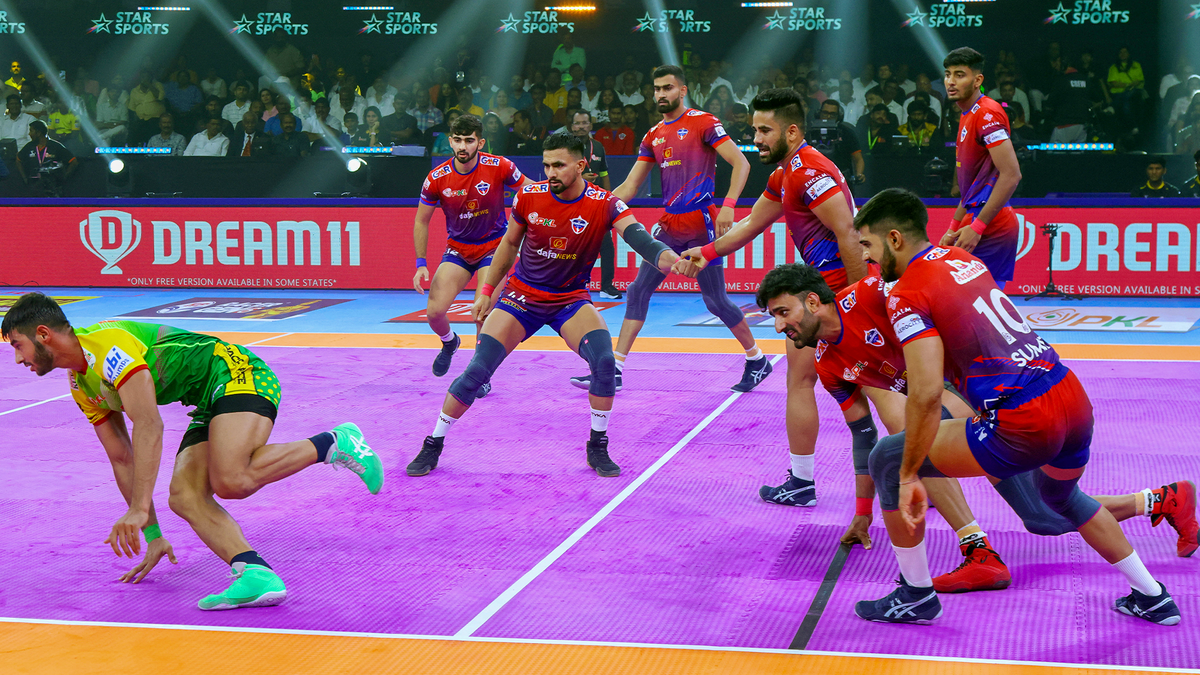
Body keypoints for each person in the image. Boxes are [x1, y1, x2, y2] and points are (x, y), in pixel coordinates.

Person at [850, 188, 1181, 626]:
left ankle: (915, 596)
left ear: (894, 239)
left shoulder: (905, 294)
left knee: (888, 460)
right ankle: (1153, 597)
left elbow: (927, 394)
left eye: (868, 245)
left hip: (1022, 418)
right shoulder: (964, 259)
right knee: (1060, 500)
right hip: (1070, 397)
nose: (867, 257)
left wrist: (911, 474)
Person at [762, 262, 1198, 584]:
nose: (780, 326)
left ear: (813, 300)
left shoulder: (870, 295)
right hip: (959, 405)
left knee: (915, 448)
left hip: (989, 396)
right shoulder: (828, 363)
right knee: (1041, 516)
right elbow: (862, 434)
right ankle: (1160, 500)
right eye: (774, 317)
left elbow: (929, 291)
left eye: (783, 312)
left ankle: (965, 558)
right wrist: (862, 514)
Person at [2, 294, 383, 608]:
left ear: (43, 334)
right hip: (206, 399)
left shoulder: (108, 346)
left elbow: (149, 424)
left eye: (18, 345)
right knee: (186, 497)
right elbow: (122, 457)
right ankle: (254, 573)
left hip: (236, 373)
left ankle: (335, 442)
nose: (18, 358)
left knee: (232, 479)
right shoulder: (81, 386)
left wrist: (138, 507)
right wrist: (152, 532)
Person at [407, 131, 682, 479]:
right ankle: (433, 443)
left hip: (570, 299)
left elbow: (640, 238)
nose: (550, 172)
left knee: (604, 362)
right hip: (522, 298)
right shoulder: (528, 196)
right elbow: (509, 245)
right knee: (477, 371)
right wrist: (487, 290)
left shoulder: (605, 203)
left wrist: (672, 260)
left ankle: (597, 445)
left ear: (581, 165)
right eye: (547, 165)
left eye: (559, 165)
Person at [675, 88, 866, 507]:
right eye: (754, 129)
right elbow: (750, 225)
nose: (756, 138)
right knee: (835, 382)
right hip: (823, 294)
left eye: (764, 130)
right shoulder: (785, 174)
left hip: (833, 296)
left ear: (792, 131)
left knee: (869, 386)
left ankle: (912, 473)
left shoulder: (809, 172)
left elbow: (849, 233)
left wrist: (858, 299)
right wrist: (706, 253)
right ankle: (809, 482)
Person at [569, 65, 767, 394]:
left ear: (682, 90)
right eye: (657, 88)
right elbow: (631, 186)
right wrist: (595, 207)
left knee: (715, 300)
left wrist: (729, 205)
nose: (661, 94)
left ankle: (756, 358)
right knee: (638, 291)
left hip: (701, 221)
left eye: (667, 88)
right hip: (670, 223)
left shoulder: (704, 122)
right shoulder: (653, 135)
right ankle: (615, 369)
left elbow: (742, 163)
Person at [413, 113, 532, 382]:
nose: (462, 146)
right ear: (450, 142)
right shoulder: (436, 178)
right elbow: (421, 221)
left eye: (469, 140)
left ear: (480, 143)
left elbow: (531, 191)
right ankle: (450, 342)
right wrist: (421, 263)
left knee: (482, 313)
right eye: (457, 140)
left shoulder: (500, 166)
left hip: (494, 248)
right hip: (458, 250)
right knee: (434, 313)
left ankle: (481, 375)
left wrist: (562, 195)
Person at [938, 47, 1023, 291]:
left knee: (978, 303)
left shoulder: (987, 113)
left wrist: (977, 227)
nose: (951, 81)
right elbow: (972, 186)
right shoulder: (967, 113)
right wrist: (953, 227)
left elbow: (1012, 174)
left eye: (959, 75)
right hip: (974, 217)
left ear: (977, 80)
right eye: (948, 74)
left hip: (991, 223)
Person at [569, 109, 620, 299]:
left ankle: (606, 287)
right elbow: (559, 175)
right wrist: (581, 177)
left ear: (590, 125)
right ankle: (569, 286)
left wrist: (608, 200)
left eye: (585, 123)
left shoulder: (598, 147)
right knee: (572, 247)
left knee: (607, 246)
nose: (581, 127)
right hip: (571, 204)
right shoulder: (565, 147)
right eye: (577, 123)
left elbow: (604, 174)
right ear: (572, 127)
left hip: (595, 204)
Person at [16, 119, 75, 197]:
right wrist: (24, 178)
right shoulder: (29, 146)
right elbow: (18, 159)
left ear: (38, 133)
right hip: (34, 184)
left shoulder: (55, 146)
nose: (29, 134)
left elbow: (73, 161)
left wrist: (64, 177)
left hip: (52, 185)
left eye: (31, 131)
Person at [811, 99, 865, 184]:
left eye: (832, 114)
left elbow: (858, 158)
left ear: (839, 116)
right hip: (815, 179)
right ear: (819, 113)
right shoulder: (810, 133)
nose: (828, 117)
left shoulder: (847, 132)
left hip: (842, 179)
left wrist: (859, 174)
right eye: (825, 113)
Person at [128, 70, 167, 146]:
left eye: (147, 77)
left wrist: (149, 85)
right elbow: (131, 108)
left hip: (156, 118)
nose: (145, 79)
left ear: (151, 78)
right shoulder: (134, 90)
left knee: (152, 128)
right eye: (143, 77)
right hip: (141, 119)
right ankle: (132, 152)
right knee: (132, 132)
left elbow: (160, 97)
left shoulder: (158, 85)